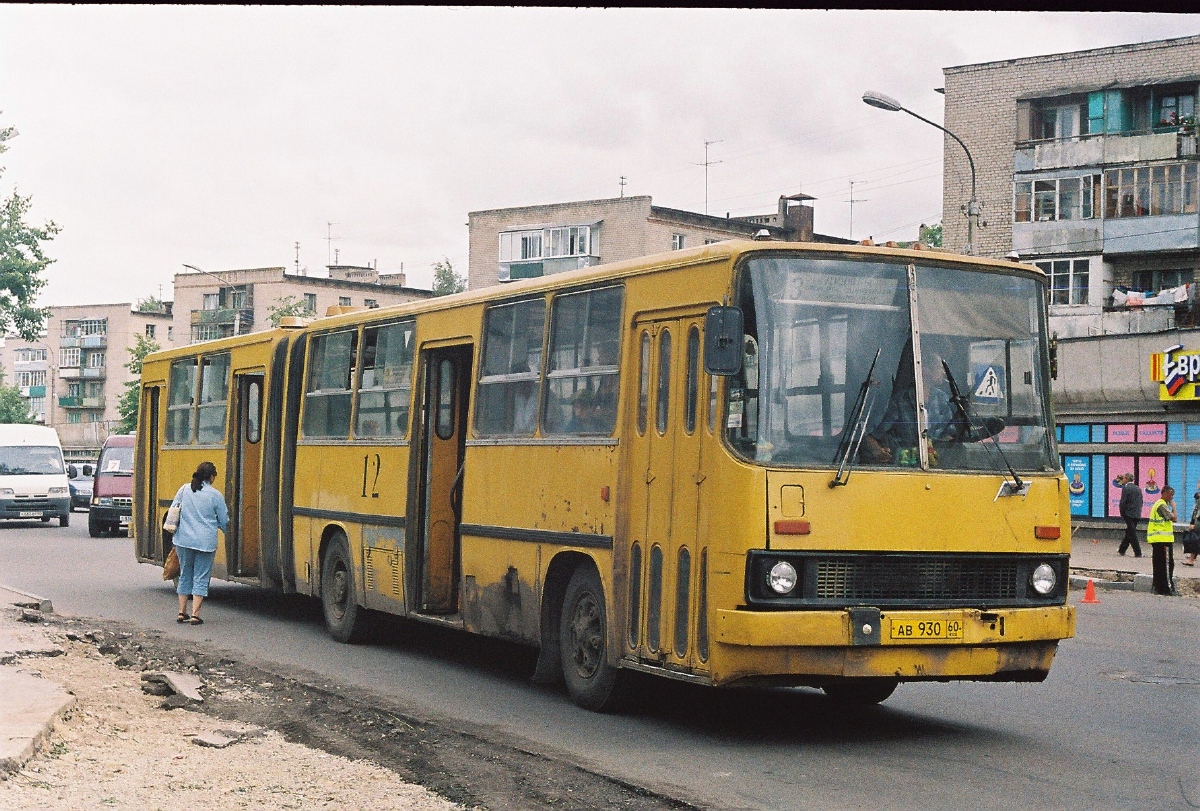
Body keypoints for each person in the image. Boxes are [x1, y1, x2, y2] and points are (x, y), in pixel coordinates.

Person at [169, 461, 230, 625]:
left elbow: (173, 509)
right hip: (205, 542)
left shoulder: (184, 489)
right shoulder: (215, 495)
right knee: (201, 577)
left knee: (185, 575)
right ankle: (195, 615)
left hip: (183, 540)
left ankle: (182, 612)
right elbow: (224, 520)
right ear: (211, 477)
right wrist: (223, 528)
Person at [1146, 484, 1177, 596]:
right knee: (1167, 565)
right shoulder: (1161, 505)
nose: (1172, 498)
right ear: (1165, 493)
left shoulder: (1158, 504)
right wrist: (1174, 507)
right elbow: (1174, 518)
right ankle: (1167, 589)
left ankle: (1157, 587)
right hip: (1163, 540)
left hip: (1157, 539)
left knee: (1158, 564)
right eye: (1171, 495)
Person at [1117, 473, 1144, 557]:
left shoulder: (1126, 488)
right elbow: (1141, 501)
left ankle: (1138, 552)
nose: (1123, 480)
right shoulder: (1138, 488)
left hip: (1128, 514)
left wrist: (1122, 512)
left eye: (1124, 478)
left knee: (1132, 533)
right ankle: (1122, 550)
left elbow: (1123, 502)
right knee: (1130, 531)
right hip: (1137, 514)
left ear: (1127, 479)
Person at [1184, 488, 1200, 567]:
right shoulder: (1198, 496)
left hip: (1198, 523)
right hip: (1196, 522)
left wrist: (1195, 524)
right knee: (1195, 540)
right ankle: (1191, 559)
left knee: (1195, 540)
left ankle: (1191, 559)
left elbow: (1198, 513)